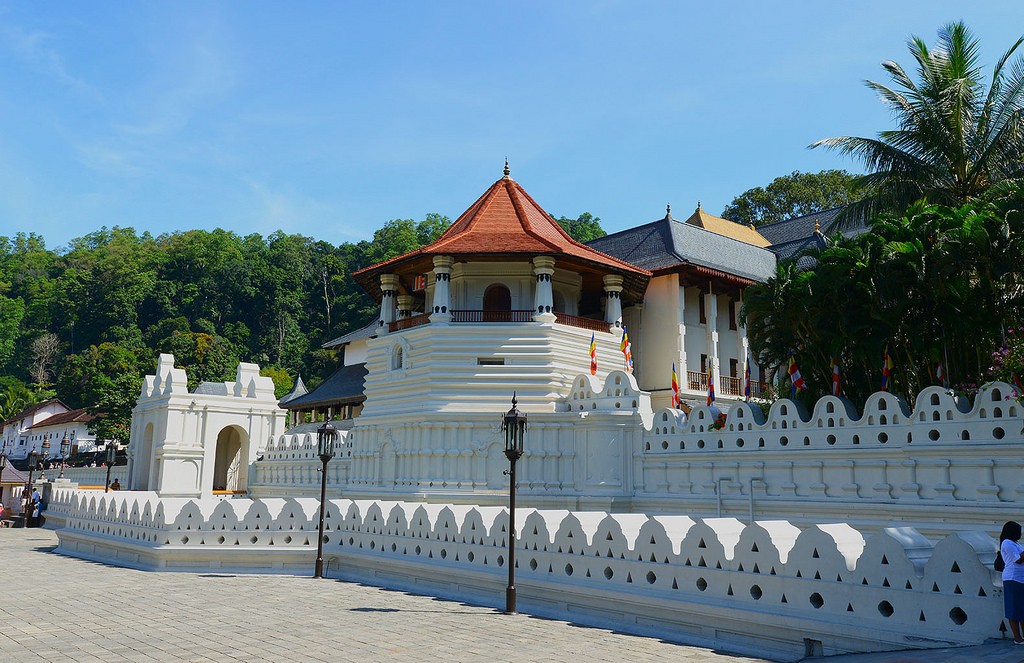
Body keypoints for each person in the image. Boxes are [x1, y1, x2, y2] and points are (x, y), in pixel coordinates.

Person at [1000, 521, 1024, 644]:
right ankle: (1017, 638)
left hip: (1021, 579)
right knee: (1014, 610)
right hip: (1012, 579)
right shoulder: (1007, 543)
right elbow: (1018, 560)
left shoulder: (1016, 543)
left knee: (1021, 609)